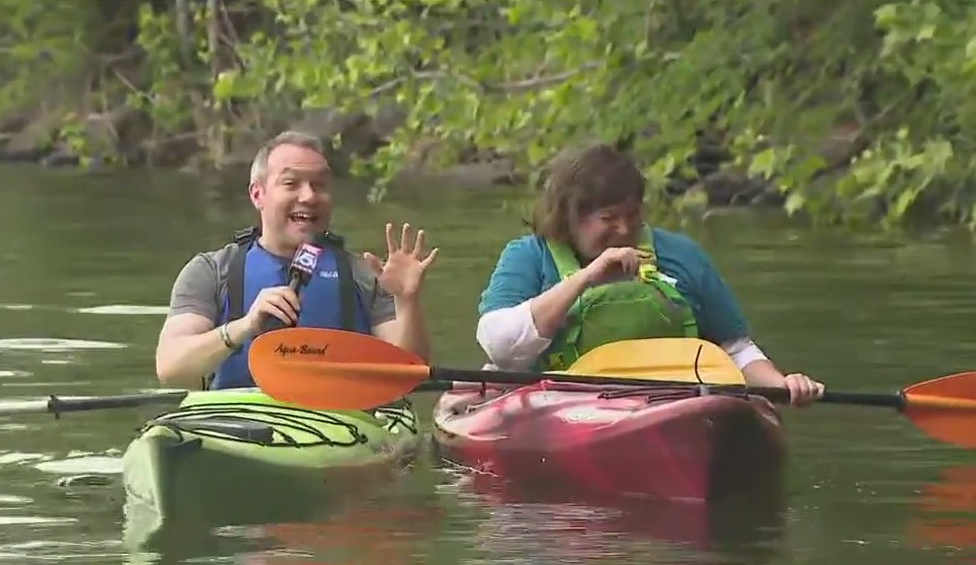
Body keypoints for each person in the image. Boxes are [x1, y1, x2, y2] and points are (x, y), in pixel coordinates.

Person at [474, 142, 824, 407]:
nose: (624, 228)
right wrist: (585, 278)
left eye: (632, 213)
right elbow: (501, 349)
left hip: (672, 405)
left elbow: (735, 348)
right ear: (570, 216)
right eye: (609, 218)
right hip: (564, 408)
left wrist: (781, 384)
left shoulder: (682, 255)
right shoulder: (529, 257)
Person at [155, 130, 438, 390]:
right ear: (258, 194)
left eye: (320, 186)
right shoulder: (211, 271)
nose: (309, 196)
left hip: (341, 422)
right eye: (291, 183)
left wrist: (407, 302)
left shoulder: (365, 274)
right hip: (237, 419)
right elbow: (171, 368)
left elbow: (407, 376)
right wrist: (245, 326)